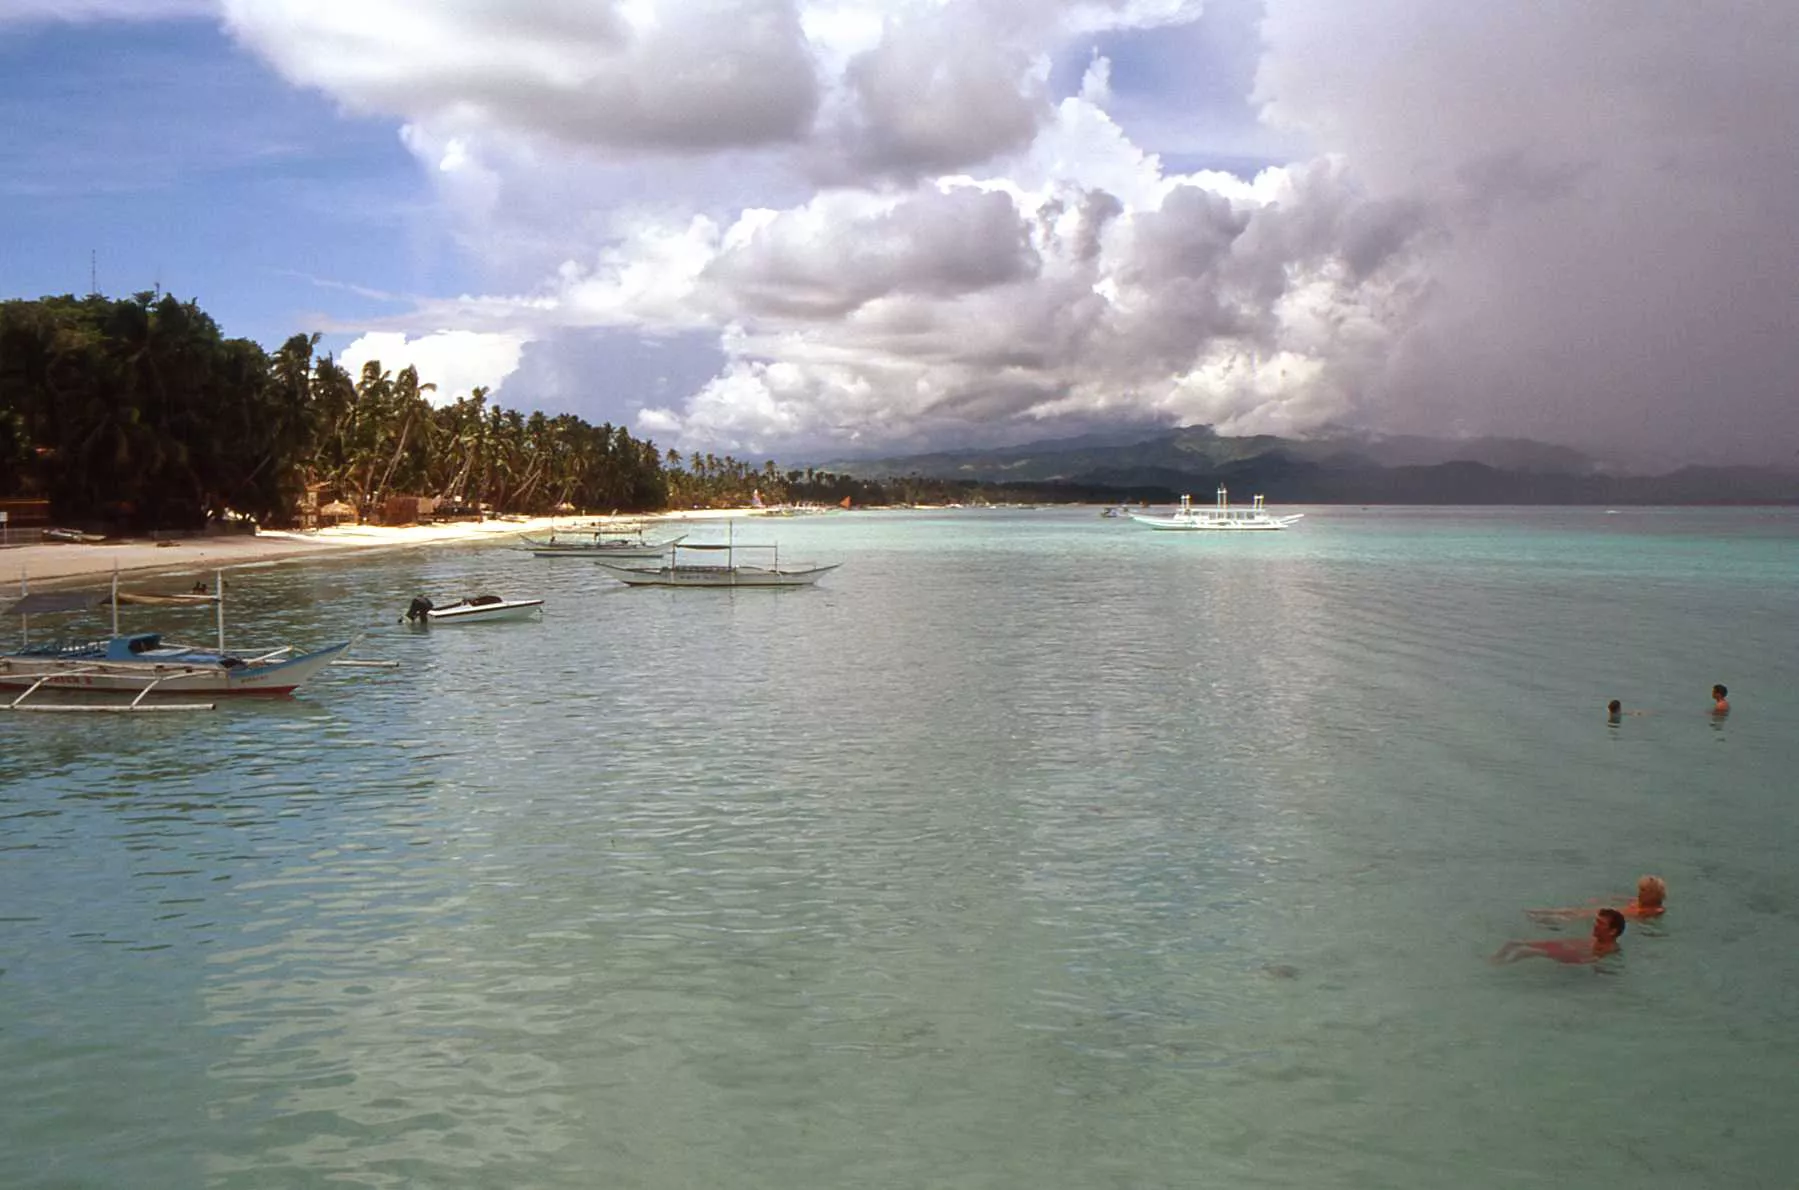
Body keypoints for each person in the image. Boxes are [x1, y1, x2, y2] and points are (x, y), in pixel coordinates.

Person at [1492, 908, 1626, 965]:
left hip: (1570, 955)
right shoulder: (1595, 939)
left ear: (1612, 931)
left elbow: (1589, 960)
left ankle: (1500, 966)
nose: (1595, 925)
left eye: (1600, 923)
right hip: (1566, 947)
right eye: (1596, 921)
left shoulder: (1609, 949)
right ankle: (1493, 961)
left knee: (1524, 951)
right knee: (1514, 943)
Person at [1526, 875, 1666, 925]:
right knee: (1574, 911)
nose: (1639, 893)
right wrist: (1611, 897)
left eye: (1643, 891)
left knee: (1579, 915)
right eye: (1640, 889)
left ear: (1653, 894)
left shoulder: (1654, 909)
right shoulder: (1640, 901)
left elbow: (1644, 915)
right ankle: (1544, 912)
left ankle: (1548, 919)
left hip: (1614, 917)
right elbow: (1628, 899)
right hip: (1611, 912)